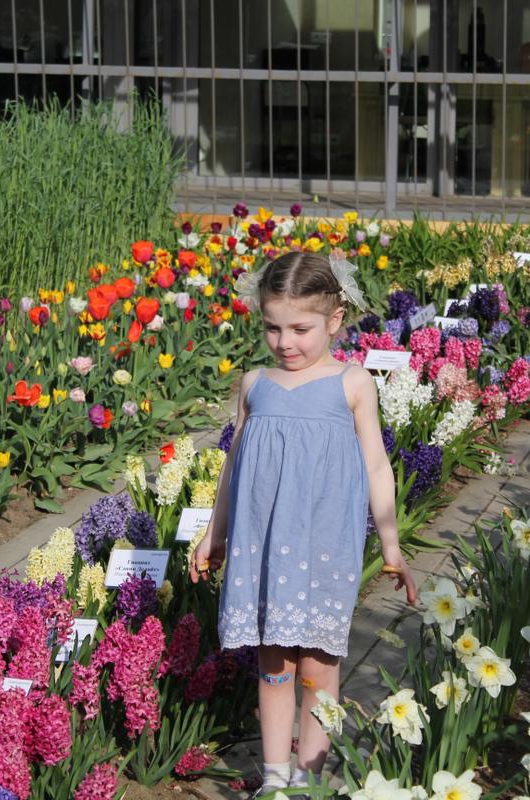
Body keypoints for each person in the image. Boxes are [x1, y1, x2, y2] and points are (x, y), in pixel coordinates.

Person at [189, 250, 417, 797]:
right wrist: (215, 533)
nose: (285, 342)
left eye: (300, 329)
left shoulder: (352, 383)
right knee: (273, 667)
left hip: (323, 550)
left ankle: (310, 780)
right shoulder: (254, 384)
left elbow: (376, 467)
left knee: (318, 670)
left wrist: (391, 545)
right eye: (272, 327)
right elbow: (233, 468)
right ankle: (274, 780)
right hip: (264, 551)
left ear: (334, 320)